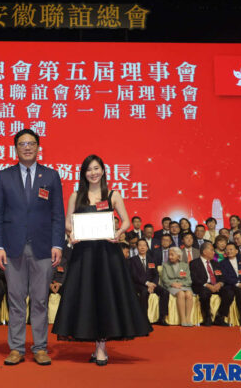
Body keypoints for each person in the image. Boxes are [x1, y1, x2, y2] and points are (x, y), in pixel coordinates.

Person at [52, 154, 151, 366]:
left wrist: (118, 233)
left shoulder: (113, 195)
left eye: (96, 168)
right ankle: (95, 342)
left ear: (103, 171)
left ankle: (101, 347)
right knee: (87, 297)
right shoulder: (76, 195)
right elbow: (67, 223)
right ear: (84, 173)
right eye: (89, 169)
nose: (93, 173)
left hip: (108, 255)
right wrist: (72, 233)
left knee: (106, 297)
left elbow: (126, 221)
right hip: (84, 255)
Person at [0, 129, 65, 366]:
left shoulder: (51, 176)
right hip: (12, 248)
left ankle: (40, 347)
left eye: (31, 143)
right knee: (15, 299)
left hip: (43, 248)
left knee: (40, 300)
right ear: (15, 148)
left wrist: (57, 244)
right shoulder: (4, 176)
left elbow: (58, 214)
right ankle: (16, 348)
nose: (27, 147)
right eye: (22, 144)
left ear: (38, 147)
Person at [189, 242, 234, 327]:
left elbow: (222, 277)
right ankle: (207, 317)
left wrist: (219, 284)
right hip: (203, 286)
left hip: (216, 285)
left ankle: (220, 317)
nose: (214, 252)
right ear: (205, 252)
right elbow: (195, 279)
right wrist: (207, 285)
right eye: (212, 250)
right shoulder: (194, 263)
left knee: (229, 293)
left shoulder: (216, 263)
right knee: (205, 293)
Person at [129, 239, 168, 326]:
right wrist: (147, 283)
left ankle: (162, 318)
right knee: (144, 292)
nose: (142, 247)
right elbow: (134, 275)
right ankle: (144, 319)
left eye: (144, 245)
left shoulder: (151, 259)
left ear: (147, 247)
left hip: (152, 284)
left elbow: (156, 274)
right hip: (139, 284)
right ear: (137, 247)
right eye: (140, 245)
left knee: (165, 292)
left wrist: (153, 284)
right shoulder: (132, 260)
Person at [161, 247, 193, 326]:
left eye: (172, 255)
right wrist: (172, 284)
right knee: (181, 294)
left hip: (184, 285)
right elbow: (164, 279)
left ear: (178, 256)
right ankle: (183, 319)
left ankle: (188, 318)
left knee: (189, 294)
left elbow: (189, 280)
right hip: (171, 286)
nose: (170, 257)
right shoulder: (165, 265)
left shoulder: (185, 265)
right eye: (169, 255)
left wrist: (181, 284)